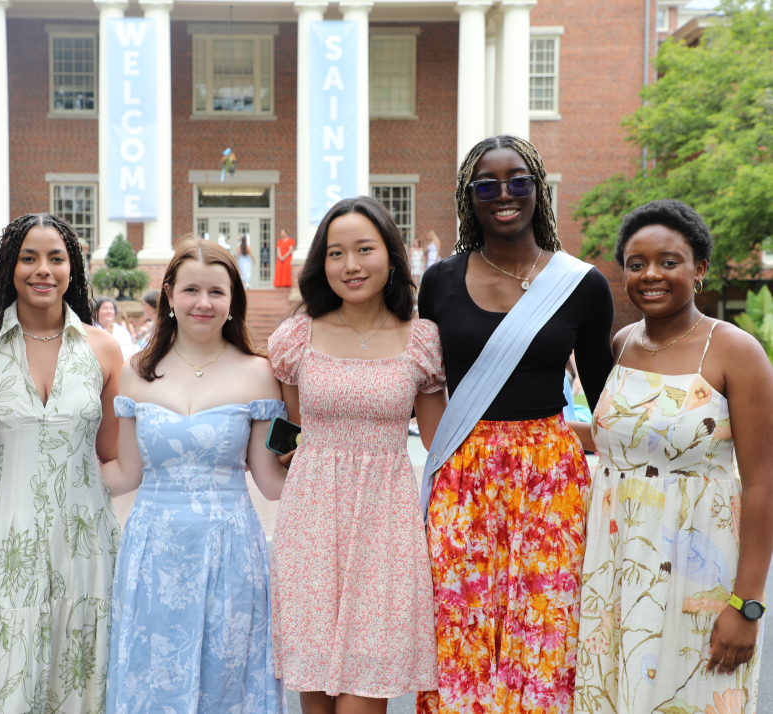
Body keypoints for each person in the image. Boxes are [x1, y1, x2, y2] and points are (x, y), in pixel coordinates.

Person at [416, 135, 615, 714]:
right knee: (462, 629)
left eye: (518, 181)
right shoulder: (440, 282)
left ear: (538, 190)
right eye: (487, 184)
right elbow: (420, 382)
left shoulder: (582, 283)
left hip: (551, 478)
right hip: (463, 474)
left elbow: (605, 400)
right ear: (468, 197)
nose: (504, 194)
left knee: (546, 634)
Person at [572, 200, 773, 714]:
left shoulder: (736, 351)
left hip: (698, 568)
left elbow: (761, 483)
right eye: (636, 264)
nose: (651, 275)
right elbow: (627, 440)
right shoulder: (621, 345)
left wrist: (746, 605)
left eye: (669, 261)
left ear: (699, 268)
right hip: (614, 567)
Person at [268, 196, 448, 714]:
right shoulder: (297, 336)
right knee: (316, 700)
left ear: (391, 256)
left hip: (385, 528)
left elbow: (439, 443)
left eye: (364, 249)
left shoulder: (421, 340)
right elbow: (285, 425)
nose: (350, 265)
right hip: (311, 527)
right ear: (321, 264)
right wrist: (286, 454)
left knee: (361, 700)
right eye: (335, 253)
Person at [101, 238, 289, 713]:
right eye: (190, 290)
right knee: (152, 681)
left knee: (226, 682)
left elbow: (270, 481)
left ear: (232, 302)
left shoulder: (261, 374)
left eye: (216, 292)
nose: (203, 303)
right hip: (152, 554)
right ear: (168, 294)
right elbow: (126, 473)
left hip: (231, 552)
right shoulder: (135, 373)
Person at [0, 213, 123, 714]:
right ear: (10, 267)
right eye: (28, 258)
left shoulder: (103, 349)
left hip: (85, 544)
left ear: (73, 268)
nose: (42, 270)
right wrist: (19, 468)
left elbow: (109, 455)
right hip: (1, 539)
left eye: (55, 258)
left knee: (79, 671)